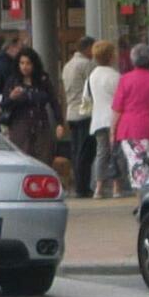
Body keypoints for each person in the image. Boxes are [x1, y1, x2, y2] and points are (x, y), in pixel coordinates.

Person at [112, 44, 149, 190]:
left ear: (133, 59)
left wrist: (112, 131)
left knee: (136, 165)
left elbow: (117, 109)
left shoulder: (125, 79)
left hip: (129, 129)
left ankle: (141, 200)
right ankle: (148, 196)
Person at [0, 47, 65, 165]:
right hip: (20, 126)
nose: (25, 67)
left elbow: (54, 101)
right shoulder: (13, 81)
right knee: (22, 159)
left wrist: (59, 123)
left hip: (41, 125)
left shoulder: (42, 79)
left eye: (28, 63)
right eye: (22, 63)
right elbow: (3, 105)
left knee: (43, 158)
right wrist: (12, 97)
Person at [62, 36, 96, 198]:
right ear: (88, 48)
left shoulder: (68, 65)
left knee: (76, 150)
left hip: (71, 111)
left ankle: (79, 185)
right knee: (86, 152)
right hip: (85, 112)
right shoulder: (86, 65)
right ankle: (83, 187)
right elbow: (92, 87)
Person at [87, 40, 122, 199]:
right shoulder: (116, 76)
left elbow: (86, 98)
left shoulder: (92, 76)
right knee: (116, 153)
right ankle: (116, 187)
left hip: (98, 119)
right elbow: (121, 99)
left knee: (101, 153)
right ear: (110, 56)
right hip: (115, 119)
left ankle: (98, 188)